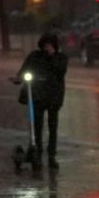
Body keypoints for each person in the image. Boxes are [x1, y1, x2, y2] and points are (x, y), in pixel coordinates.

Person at [15, 31, 68, 169]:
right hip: (38, 96)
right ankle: (37, 151)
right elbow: (24, 69)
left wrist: (52, 57)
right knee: (37, 126)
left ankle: (51, 155)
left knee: (52, 127)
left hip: (53, 97)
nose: (47, 47)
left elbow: (60, 71)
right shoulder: (35, 56)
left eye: (50, 45)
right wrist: (19, 77)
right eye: (46, 44)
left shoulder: (61, 58)